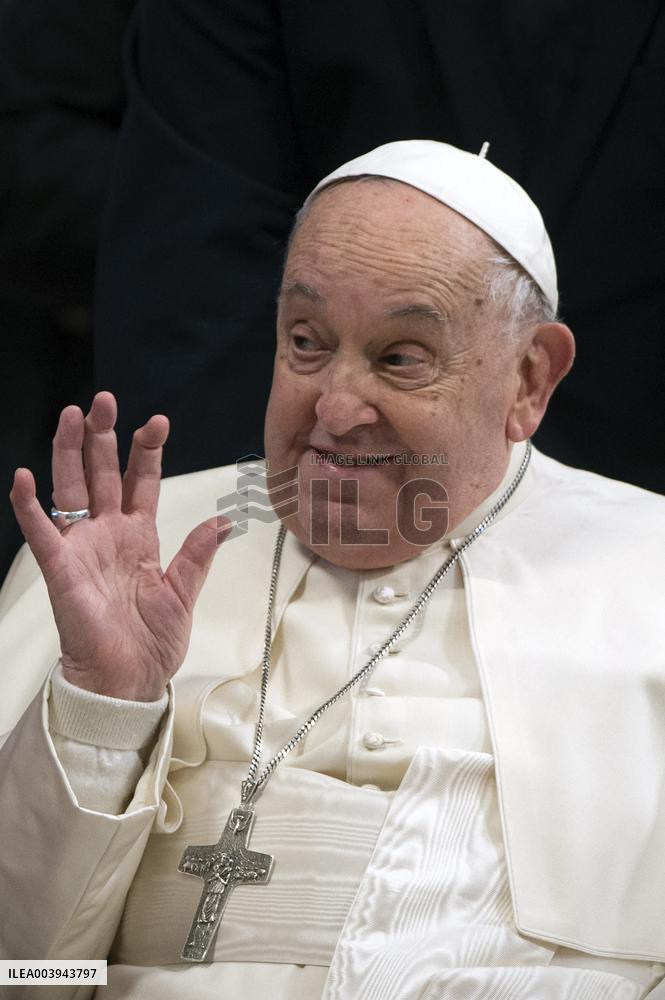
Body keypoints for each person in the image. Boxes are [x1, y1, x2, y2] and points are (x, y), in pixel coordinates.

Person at [2, 140, 665, 999]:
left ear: (528, 381)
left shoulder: (645, 567)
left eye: (399, 358)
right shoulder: (130, 546)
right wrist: (102, 707)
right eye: (307, 342)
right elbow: (23, 973)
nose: (337, 409)